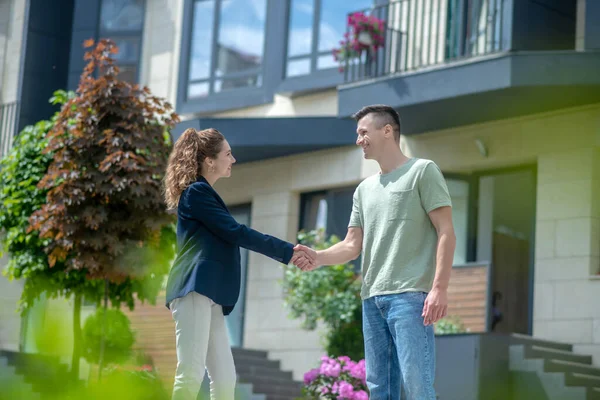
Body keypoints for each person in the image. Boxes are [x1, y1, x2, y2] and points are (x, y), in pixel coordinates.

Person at [296, 105, 456, 400]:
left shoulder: (422, 171)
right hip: (372, 299)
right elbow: (351, 245)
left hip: (410, 297)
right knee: (380, 388)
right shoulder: (364, 189)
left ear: (387, 131)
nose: (358, 140)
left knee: (417, 384)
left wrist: (439, 288)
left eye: (363, 132)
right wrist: (317, 256)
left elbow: (445, 230)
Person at [163, 128, 315, 400]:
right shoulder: (196, 192)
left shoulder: (203, 193)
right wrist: (287, 251)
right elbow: (235, 231)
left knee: (224, 378)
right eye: (228, 154)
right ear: (210, 160)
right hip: (194, 287)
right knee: (191, 372)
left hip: (210, 293)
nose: (233, 160)